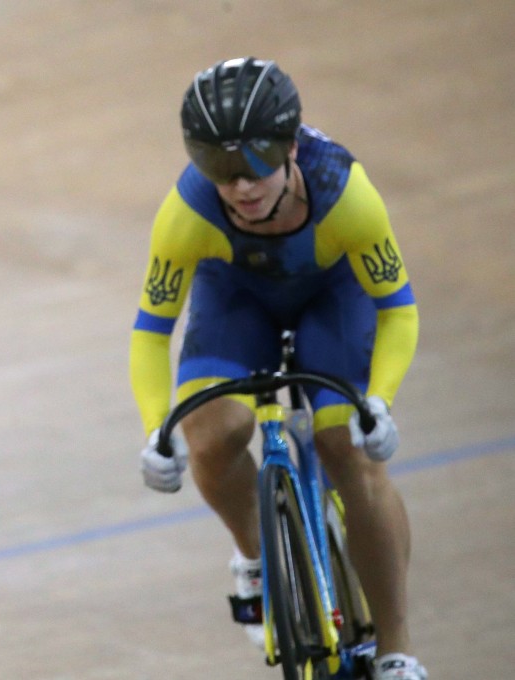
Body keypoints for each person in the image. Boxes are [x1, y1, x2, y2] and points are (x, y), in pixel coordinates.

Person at [128, 57, 427, 680]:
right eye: (218, 167)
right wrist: (157, 427)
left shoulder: (346, 193)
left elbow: (397, 310)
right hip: (236, 298)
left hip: (333, 297)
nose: (240, 185)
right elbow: (151, 333)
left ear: (291, 146)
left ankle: (396, 649)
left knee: (348, 448)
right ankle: (255, 557)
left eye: (257, 161)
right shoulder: (186, 213)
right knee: (212, 433)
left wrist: (381, 399)